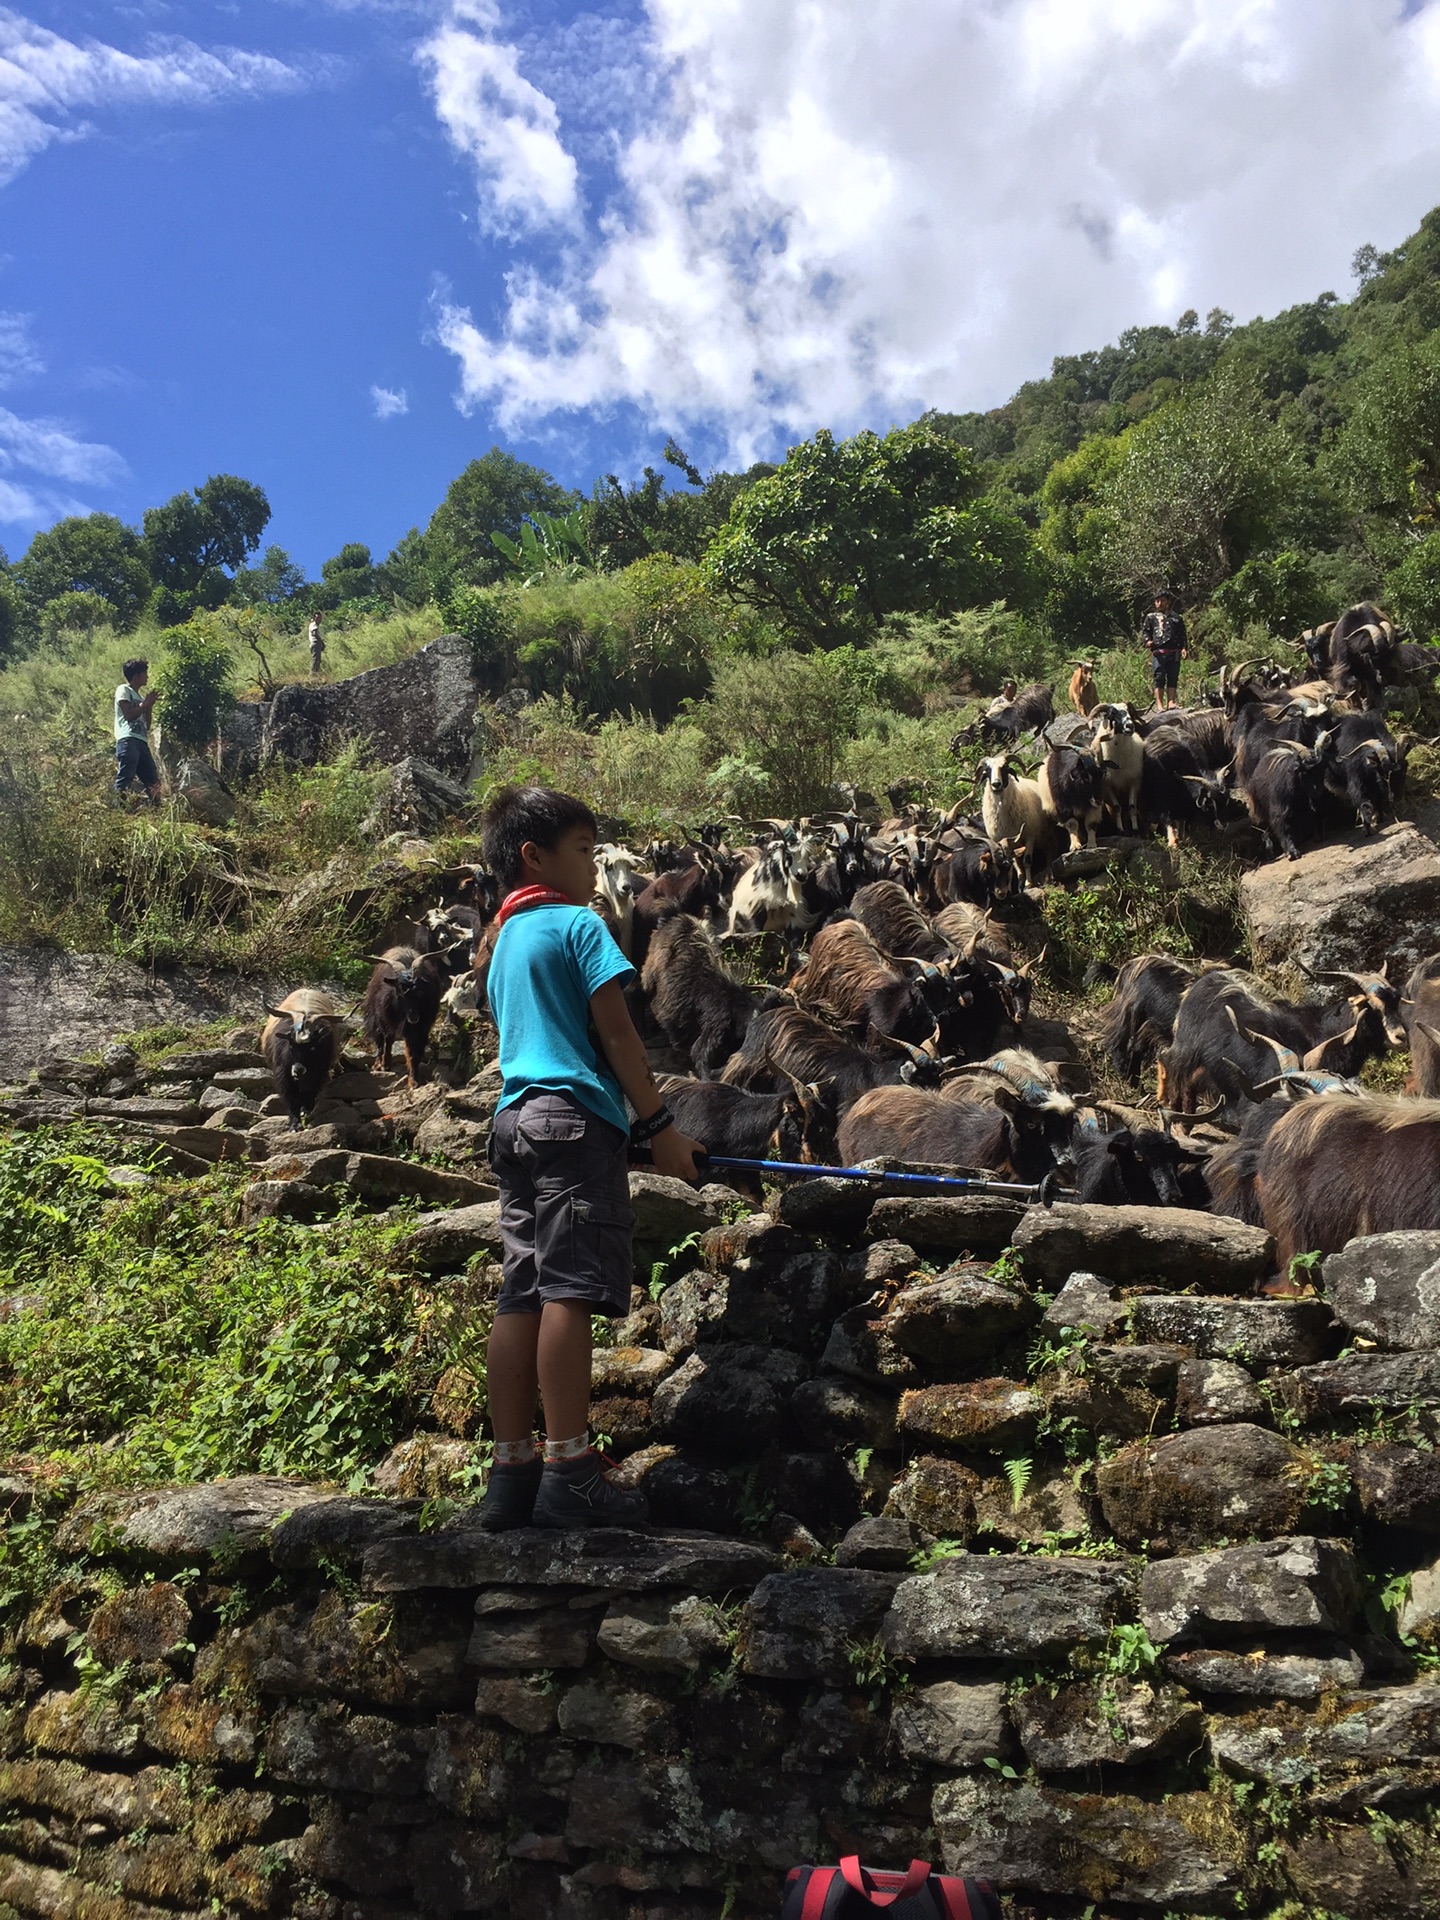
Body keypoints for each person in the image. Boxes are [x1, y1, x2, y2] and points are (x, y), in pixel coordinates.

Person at [477, 784, 705, 1532]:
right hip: (575, 1126)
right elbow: (618, 1038)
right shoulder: (578, 925)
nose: (593, 868)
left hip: (513, 1123)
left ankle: (511, 1469)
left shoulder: (503, 940)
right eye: (583, 851)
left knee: (522, 1291)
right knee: (569, 1290)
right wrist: (662, 1127)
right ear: (534, 857)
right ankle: (570, 1467)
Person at [113, 657, 162, 803]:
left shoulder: (140, 697)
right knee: (125, 777)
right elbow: (128, 715)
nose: (147, 676)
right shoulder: (124, 689)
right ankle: (117, 812)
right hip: (128, 740)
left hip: (141, 741)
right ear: (136, 676)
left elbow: (146, 725)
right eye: (144, 673)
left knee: (152, 780)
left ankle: (157, 812)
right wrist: (144, 704)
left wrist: (149, 707)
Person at [1141, 590, 1188, 711]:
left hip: (1174, 651)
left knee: (1173, 676)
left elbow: (1183, 635)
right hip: (1159, 652)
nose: (1159, 603)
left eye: (1162, 600)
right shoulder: (1151, 617)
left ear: (1168, 602)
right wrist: (1147, 642)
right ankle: (1160, 705)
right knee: (1159, 677)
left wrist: (1184, 648)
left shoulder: (1177, 618)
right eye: (1157, 601)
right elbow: (1145, 632)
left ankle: (1171, 702)